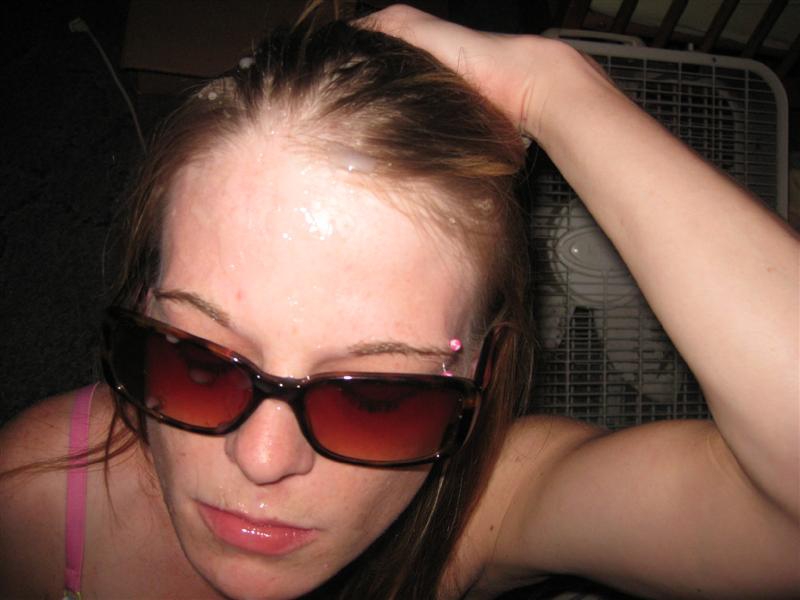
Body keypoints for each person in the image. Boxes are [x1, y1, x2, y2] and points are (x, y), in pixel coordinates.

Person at [1, 4, 798, 599]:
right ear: (142, 307)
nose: (263, 460)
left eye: (378, 401)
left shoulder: (476, 512)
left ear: (481, 377)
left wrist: (552, 87)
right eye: (198, 363)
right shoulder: (32, 499)